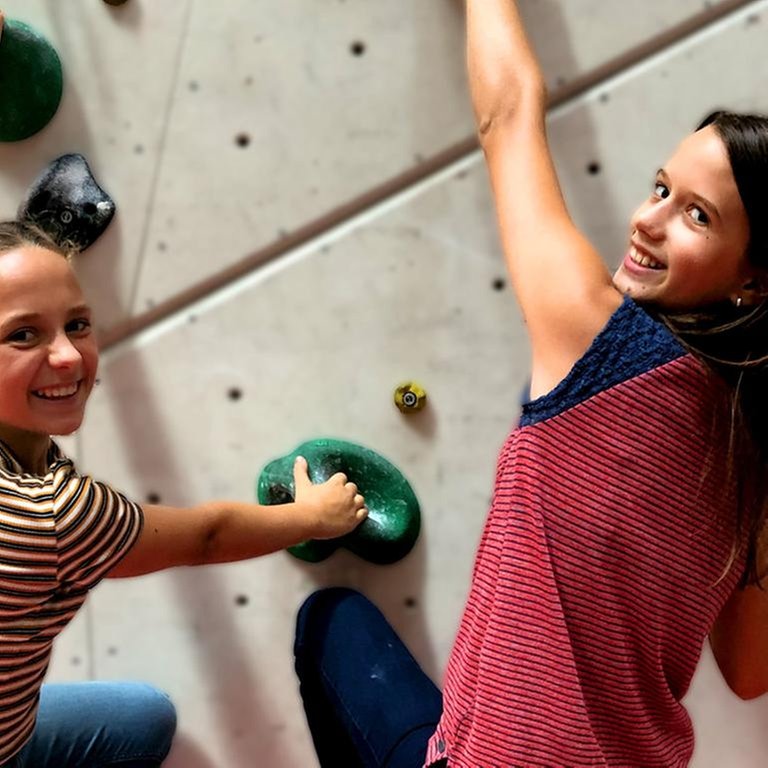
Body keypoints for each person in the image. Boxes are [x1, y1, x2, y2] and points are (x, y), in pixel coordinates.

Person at [292, 2, 768, 766]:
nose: (649, 221)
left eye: (698, 216)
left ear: (754, 281)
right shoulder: (755, 462)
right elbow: (749, 673)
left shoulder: (602, 344)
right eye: (660, 188)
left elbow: (508, 116)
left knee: (328, 623)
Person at [0, 220, 368, 767]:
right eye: (23, 334)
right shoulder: (53, 517)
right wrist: (314, 515)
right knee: (145, 722)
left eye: (77, 324)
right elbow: (207, 536)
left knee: (145, 717)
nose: (70, 358)